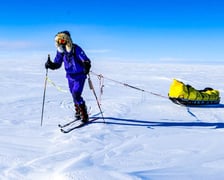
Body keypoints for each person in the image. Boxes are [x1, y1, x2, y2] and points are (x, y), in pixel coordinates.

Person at [45, 31, 91, 123]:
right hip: (70, 76)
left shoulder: (76, 48)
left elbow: (85, 59)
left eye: (62, 40)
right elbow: (57, 63)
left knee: (76, 93)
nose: (60, 43)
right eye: (58, 41)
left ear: (67, 40)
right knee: (73, 94)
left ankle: (84, 113)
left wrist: (86, 65)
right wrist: (51, 65)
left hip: (80, 75)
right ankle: (78, 110)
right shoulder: (61, 51)